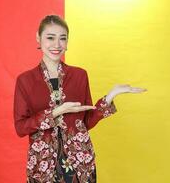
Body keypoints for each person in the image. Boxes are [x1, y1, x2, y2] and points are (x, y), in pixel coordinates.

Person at [13, 15, 147, 183]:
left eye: (63, 38)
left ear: (67, 42)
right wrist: (56, 112)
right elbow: (20, 127)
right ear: (38, 38)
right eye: (50, 38)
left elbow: (86, 121)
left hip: (80, 163)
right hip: (42, 166)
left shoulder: (79, 76)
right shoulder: (25, 80)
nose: (57, 44)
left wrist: (110, 96)